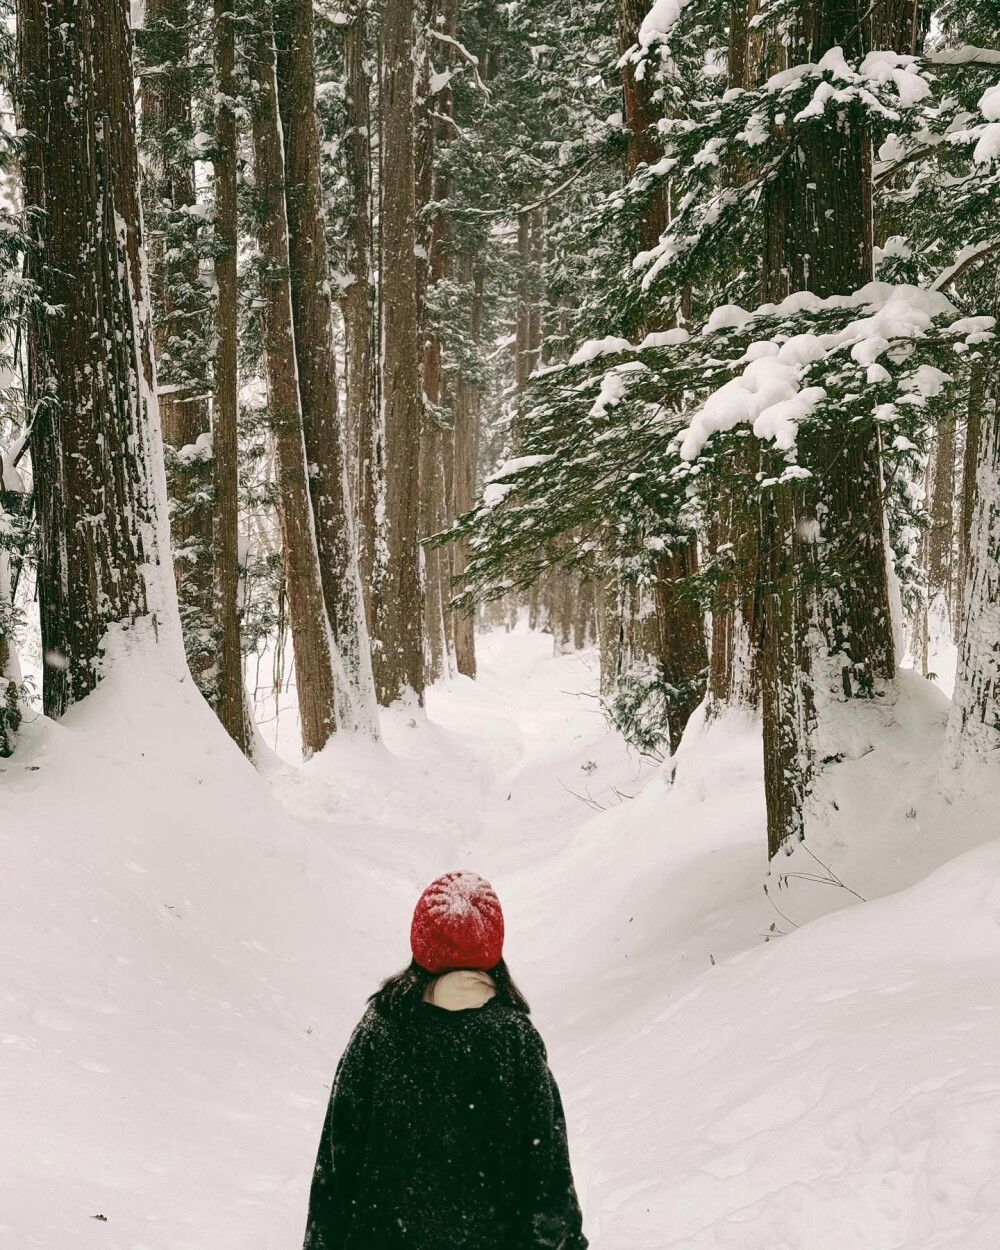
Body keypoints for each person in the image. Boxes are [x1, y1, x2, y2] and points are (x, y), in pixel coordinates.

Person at [302, 870, 589, 1250]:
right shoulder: (514, 1038)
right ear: (493, 945)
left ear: (421, 940)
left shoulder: (377, 1031)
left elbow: (336, 1169)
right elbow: (549, 1176)